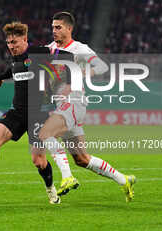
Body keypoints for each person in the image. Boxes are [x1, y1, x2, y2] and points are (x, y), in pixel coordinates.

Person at [40, 11, 136, 202]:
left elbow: (102, 67)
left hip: (74, 103)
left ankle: (67, 178)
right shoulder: (49, 49)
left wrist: (79, 72)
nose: (54, 31)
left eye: (58, 27)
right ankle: (123, 179)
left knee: (45, 133)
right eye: (52, 27)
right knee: (82, 159)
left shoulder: (80, 48)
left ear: (69, 28)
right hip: (61, 105)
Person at [0, 21, 62, 204]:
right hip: (18, 112)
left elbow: (64, 55)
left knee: (39, 161)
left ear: (25, 39)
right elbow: (14, 69)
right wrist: (0, 77)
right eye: (8, 43)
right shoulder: (16, 58)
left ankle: (50, 188)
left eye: (14, 42)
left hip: (39, 114)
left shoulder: (40, 53)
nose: (11, 47)